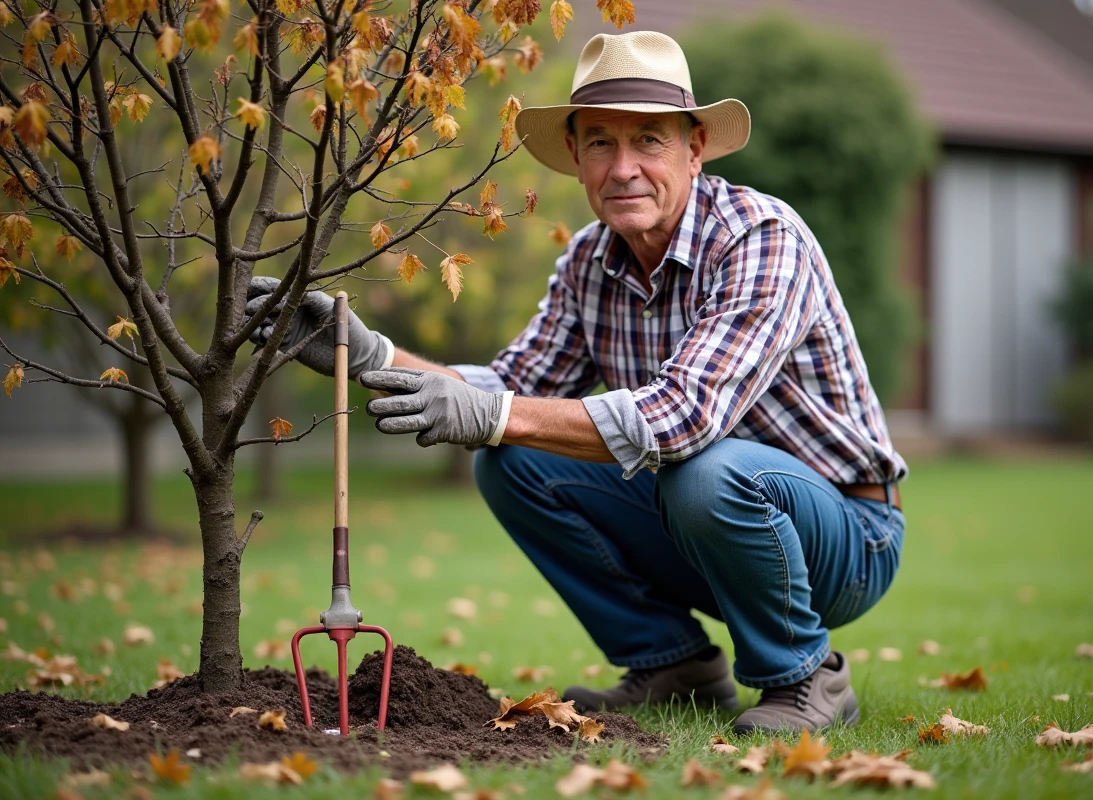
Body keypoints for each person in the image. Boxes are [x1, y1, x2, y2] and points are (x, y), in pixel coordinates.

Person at [242, 31, 907, 734]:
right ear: (577, 159)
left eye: (648, 141)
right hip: (703, 524)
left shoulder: (761, 237)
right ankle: (671, 664)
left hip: (845, 538)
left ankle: (804, 678)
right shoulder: (591, 260)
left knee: (701, 469)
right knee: (514, 461)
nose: (623, 169)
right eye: (599, 143)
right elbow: (506, 387)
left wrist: (495, 414)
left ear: (695, 147)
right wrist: (365, 353)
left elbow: (684, 418)